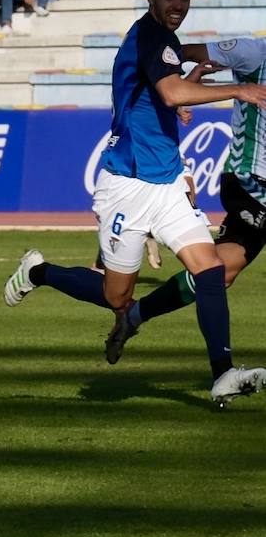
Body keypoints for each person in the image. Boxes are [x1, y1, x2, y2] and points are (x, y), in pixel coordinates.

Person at [3, 0, 266, 406]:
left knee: (209, 269)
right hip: (126, 184)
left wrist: (186, 90)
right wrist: (238, 90)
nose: (177, 5)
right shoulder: (149, 36)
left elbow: (163, 94)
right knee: (116, 296)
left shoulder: (166, 41)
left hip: (166, 183)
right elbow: (170, 92)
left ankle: (223, 373)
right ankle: (38, 271)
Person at [105, 36, 266, 365]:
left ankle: (133, 316)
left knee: (220, 272)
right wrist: (175, 92)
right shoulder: (254, 53)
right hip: (248, 177)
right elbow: (179, 53)